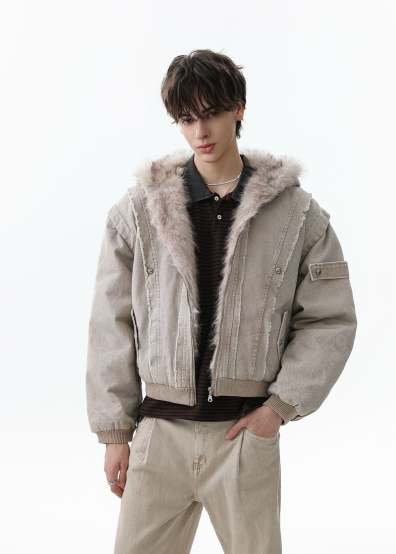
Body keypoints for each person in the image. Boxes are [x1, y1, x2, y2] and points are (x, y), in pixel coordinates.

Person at [85, 48, 357, 554]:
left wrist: (278, 409)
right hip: (159, 435)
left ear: (239, 108)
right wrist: (115, 432)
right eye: (186, 119)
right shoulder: (138, 212)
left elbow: (330, 320)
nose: (200, 132)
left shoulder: (296, 214)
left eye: (210, 113)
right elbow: (111, 323)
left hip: (243, 437)